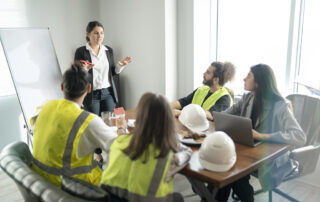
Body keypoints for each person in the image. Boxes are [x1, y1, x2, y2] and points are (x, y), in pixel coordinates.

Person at [212, 64, 306, 202]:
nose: (244, 79)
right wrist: (209, 115)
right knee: (226, 167)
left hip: (270, 159)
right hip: (248, 152)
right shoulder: (247, 98)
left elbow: (300, 136)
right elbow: (224, 115)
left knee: (233, 171)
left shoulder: (280, 106)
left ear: (258, 82)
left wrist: (262, 136)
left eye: (248, 76)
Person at [31, 62, 126, 187]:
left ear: (62, 86)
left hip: (43, 183)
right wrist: (121, 129)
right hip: (72, 188)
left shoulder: (44, 106)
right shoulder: (87, 120)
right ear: (89, 88)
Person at [100, 92, 192, 202]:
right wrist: (170, 137)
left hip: (108, 199)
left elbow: (123, 139)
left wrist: (121, 129)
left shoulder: (116, 142)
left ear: (139, 117)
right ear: (168, 122)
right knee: (178, 198)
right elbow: (187, 153)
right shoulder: (168, 156)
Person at [74, 20, 132, 116]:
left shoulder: (108, 50)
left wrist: (121, 65)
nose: (99, 36)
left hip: (108, 93)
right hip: (91, 94)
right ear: (88, 34)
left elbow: (113, 72)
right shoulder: (81, 51)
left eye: (101, 33)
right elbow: (76, 74)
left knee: (109, 122)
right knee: (93, 123)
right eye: (96, 33)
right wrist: (84, 70)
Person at [171, 61, 235, 121]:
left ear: (216, 80)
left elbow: (208, 114)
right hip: (194, 127)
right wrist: (166, 107)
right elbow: (182, 102)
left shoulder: (224, 98)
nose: (204, 73)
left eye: (208, 72)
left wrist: (181, 113)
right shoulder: (201, 90)